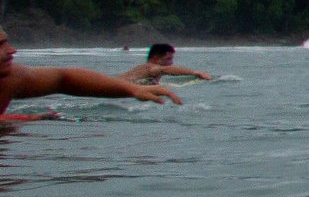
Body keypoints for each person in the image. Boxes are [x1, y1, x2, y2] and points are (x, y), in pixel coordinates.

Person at [1, 27, 183, 129]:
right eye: (1, 45)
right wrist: (29, 118)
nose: (12, 50)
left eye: (7, 42)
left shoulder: (10, 77)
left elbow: (63, 78)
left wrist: (132, 90)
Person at [125, 43, 213, 86]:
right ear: (156, 58)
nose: (171, 63)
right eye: (168, 59)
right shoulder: (150, 68)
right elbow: (165, 70)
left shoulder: (142, 69)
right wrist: (196, 73)